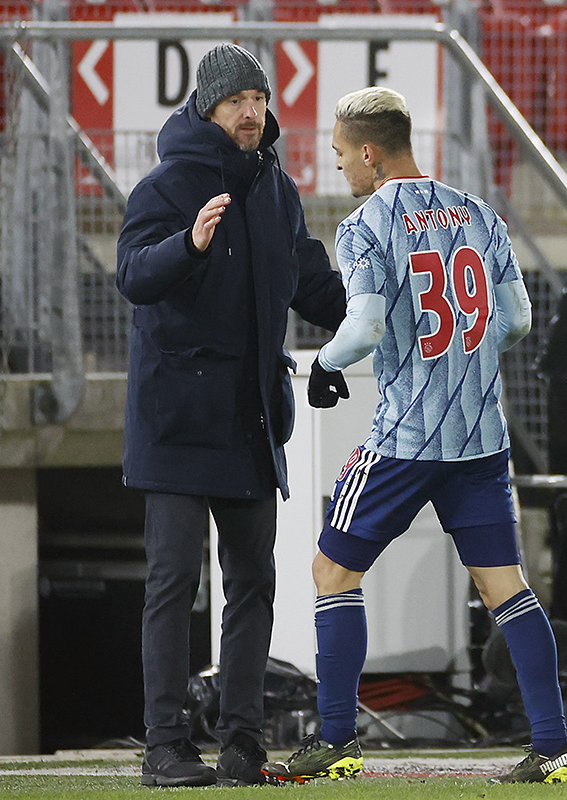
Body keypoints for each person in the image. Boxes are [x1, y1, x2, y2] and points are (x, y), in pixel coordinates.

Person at [262, 87, 567, 786]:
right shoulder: (479, 213)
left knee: (331, 574)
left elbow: (366, 325)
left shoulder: (367, 224)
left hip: (406, 438)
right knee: (507, 590)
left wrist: (327, 365)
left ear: (369, 153)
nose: (339, 167)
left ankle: (337, 741)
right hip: (480, 438)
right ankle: (554, 749)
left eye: (341, 155)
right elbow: (518, 320)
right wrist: (465, 365)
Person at [116, 43, 346, 787]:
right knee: (173, 581)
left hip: (250, 419)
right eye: (237, 100)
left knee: (253, 584)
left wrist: (380, 306)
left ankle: (243, 741)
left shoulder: (277, 190)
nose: (252, 112)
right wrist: (188, 244)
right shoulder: (164, 186)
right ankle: (165, 745)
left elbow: (312, 284)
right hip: (177, 419)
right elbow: (133, 274)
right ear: (207, 107)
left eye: (259, 99)